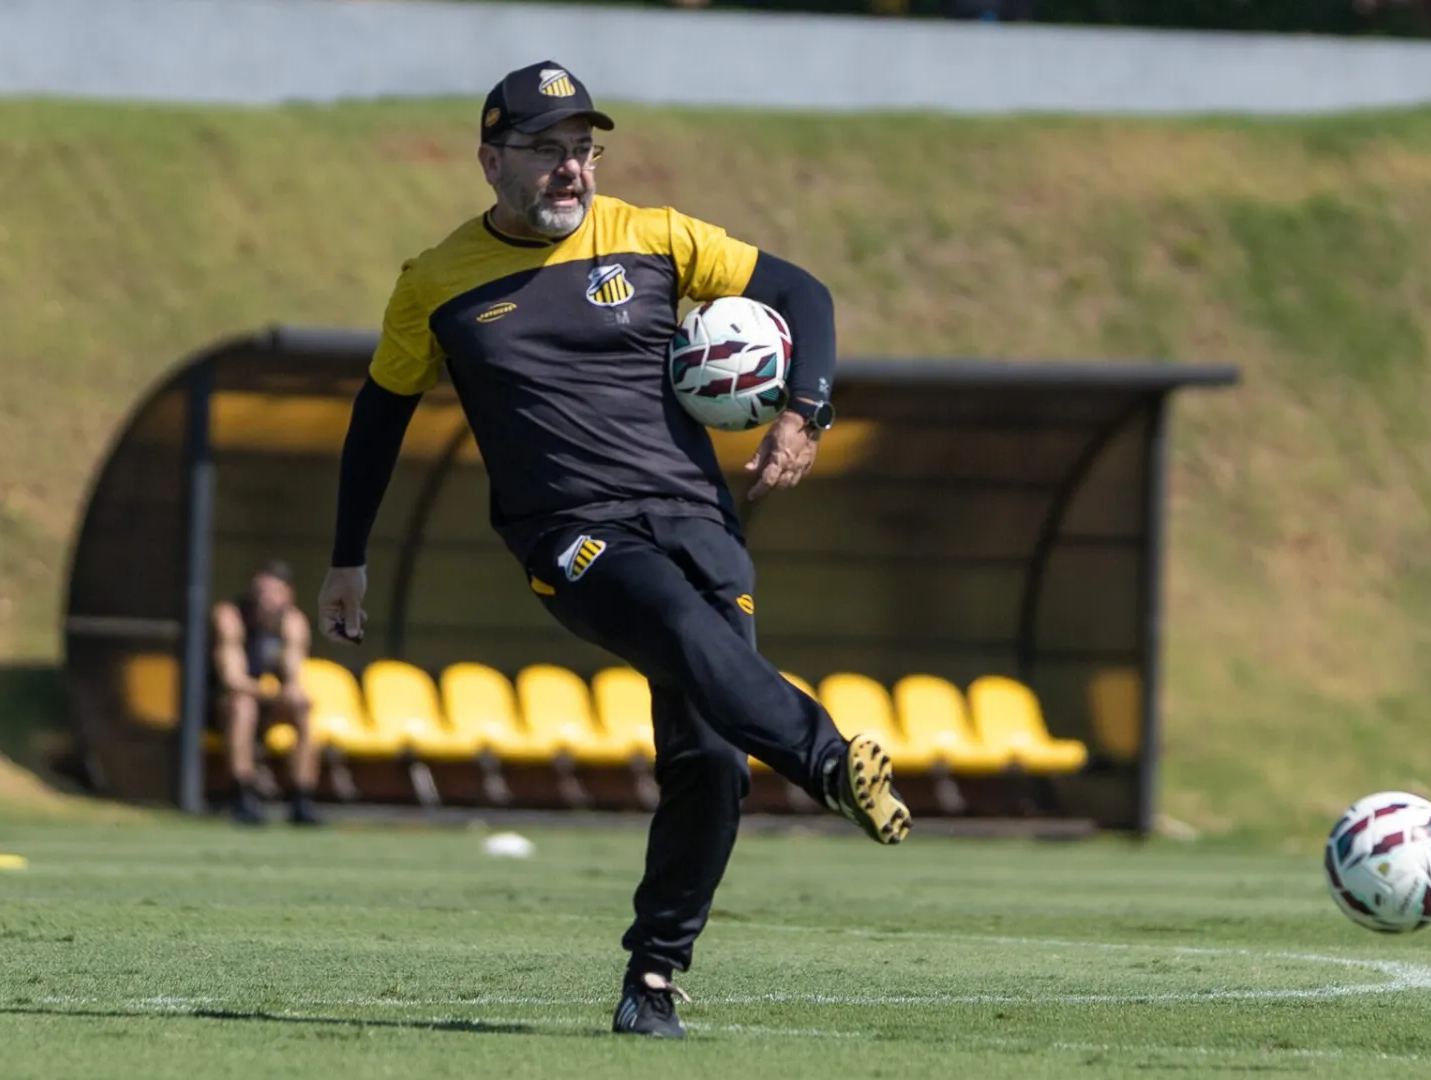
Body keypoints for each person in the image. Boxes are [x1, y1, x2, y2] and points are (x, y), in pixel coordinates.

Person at [316, 60, 912, 1039]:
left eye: (584, 151)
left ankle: (655, 981)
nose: (571, 170)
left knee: (711, 759)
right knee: (677, 627)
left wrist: (805, 413)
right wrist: (348, 555)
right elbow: (380, 415)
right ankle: (829, 759)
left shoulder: (658, 237)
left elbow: (804, 294)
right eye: (546, 150)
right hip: (572, 533)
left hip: (699, 521)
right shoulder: (436, 284)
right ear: (489, 160)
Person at [210, 559, 322, 826]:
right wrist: (272, 695)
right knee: (243, 706)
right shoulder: (230, 616)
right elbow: (232, 679)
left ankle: (301, 799)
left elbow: (293, 676)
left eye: (273, 592)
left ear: (288, 595)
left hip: (265, 702)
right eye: (260, 591)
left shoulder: (293, 621)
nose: (266, 599)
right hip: (218, 705)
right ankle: (243, 796)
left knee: (302, 707)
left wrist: (291, 693)